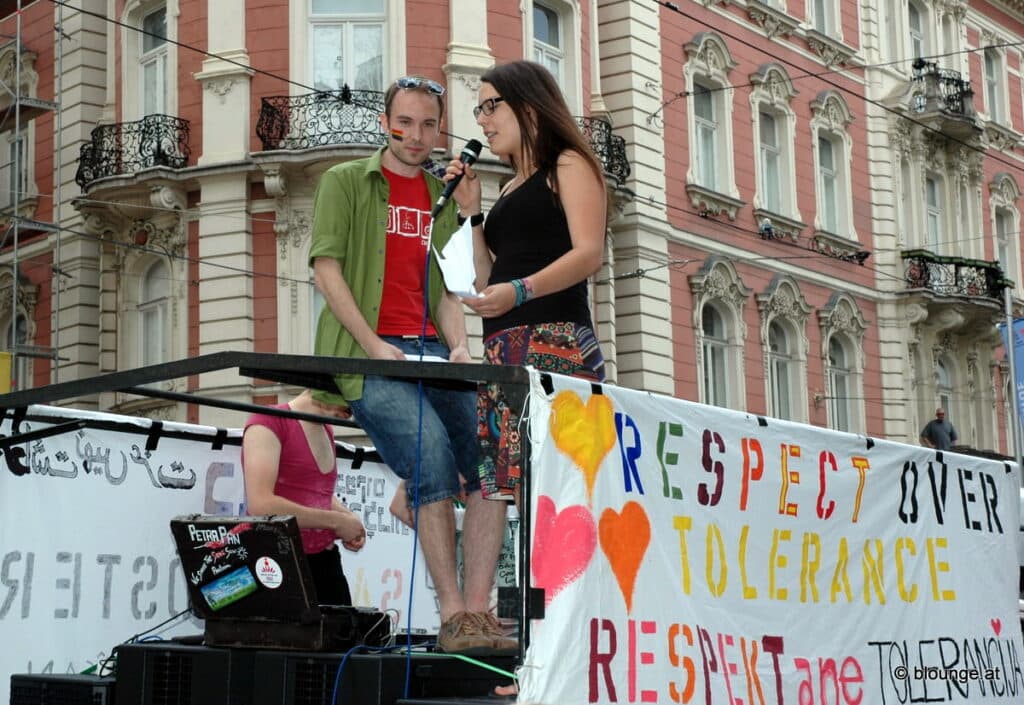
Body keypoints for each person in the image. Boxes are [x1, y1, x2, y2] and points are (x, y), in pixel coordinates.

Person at [308, 75, 514, 653]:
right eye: (406, 122)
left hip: (432, 350)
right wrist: (373, 345)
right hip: (371, 354)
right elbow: (328, 270)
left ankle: (477, 614)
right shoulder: (345, 181)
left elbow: (452, 289)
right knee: (430, 459)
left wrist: (461, 346)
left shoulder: (440, 195)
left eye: (429, 124)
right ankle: (450, 613)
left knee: (494, 460)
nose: (417, 135)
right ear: (385, 122)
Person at [445, 60, 609, 505]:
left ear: (529, 108)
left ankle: (555, 576)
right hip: (504, 347)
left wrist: (519, 290)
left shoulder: (569, 163)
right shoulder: (512, 187)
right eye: (478, 110)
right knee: (514, 492)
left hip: (556, 341)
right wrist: (472, 213)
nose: (481, 120)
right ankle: (524, 576)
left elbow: (589, 252)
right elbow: (487, 279)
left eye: (490, 107)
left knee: (561, 486)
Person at [241, 390, 366, 605]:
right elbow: (261, 504)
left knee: (342, 636)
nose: (351, 415)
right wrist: (337, 521)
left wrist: (349, 520)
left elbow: (315, 492)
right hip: (278, 563)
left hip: (325, 564)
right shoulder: (269, 421)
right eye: (349, 406)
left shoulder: (326, 428)